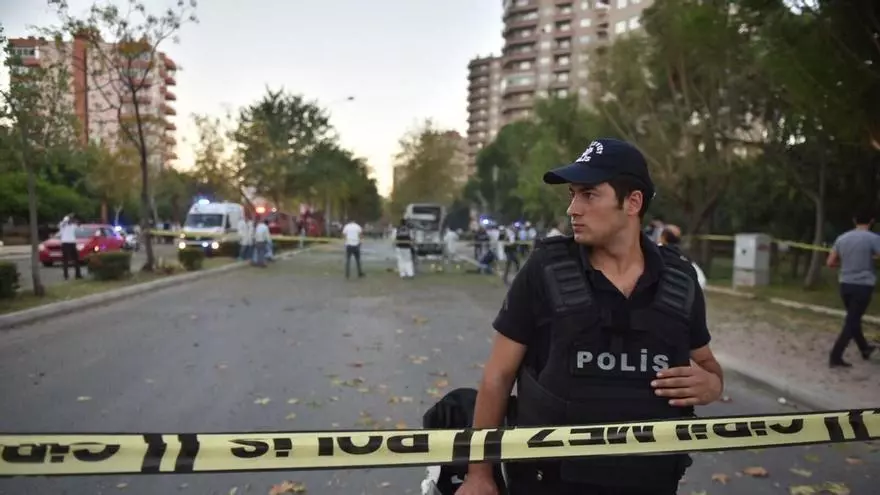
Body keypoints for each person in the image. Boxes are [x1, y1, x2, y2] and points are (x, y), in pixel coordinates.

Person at [457, 138, 724, 495]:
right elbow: (497, 376)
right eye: (572, 194)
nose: (573, 209)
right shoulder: (544, 271)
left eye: (589, 194)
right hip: (549, 483)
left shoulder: (680, 280)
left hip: (651, 482)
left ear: (632, 202)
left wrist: (712, 386)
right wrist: (479, 474)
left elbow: (707, 364)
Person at [825, 211, 880, 367]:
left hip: (845, 283)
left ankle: (864, 348)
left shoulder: (842, 238)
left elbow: (830, 262)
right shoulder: (873, 238)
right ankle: (835, 355)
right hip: (863, 285)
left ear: (854, 221)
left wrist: (845, 263)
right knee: (852, 321)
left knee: (853, 318)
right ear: (871, 221)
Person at [59, 213, 82, 280]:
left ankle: (78, 275)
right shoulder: (62, 225)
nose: (70, 221)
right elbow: (64, 222)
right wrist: (69, 217)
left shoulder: (73, 225)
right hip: (65, 243)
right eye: (70, 220)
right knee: (65, 260)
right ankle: (66, 275)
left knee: (76, 259)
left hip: (72, 243)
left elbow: (79, 224)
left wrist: (75, 220)